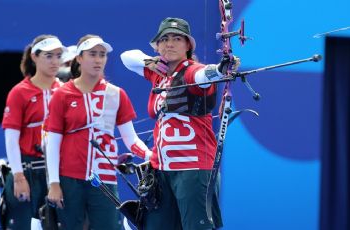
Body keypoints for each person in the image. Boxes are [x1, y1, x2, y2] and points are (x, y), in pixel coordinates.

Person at [121, 17, 238, 230]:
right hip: (162, 171)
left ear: (188, 45)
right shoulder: (158, 74)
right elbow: (126, 57)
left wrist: (220, 69)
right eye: (164, 39)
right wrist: (149, 61)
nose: (170, 44)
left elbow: (204, 74)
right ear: (157, 46)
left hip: (193, 169)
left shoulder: (192, 71)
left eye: (177, 38)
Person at [45, 34, 152, 230]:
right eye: (92, 54)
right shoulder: (62, 94)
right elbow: (53, 142)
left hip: (104, 178)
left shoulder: (116, 94)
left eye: (102, 54)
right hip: (69, 179)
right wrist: (54, 183)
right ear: (79, 58)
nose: (98, 59)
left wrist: (151, 156)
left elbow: (131, 139)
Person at [1, 35, 66, 229]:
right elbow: (11, 139)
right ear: (34, 57)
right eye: (49, 56)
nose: (55, 62)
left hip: (57, 172)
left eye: (58, 56)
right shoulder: (19, 92)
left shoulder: (64, 90)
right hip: (28, 171)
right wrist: (19, 177)